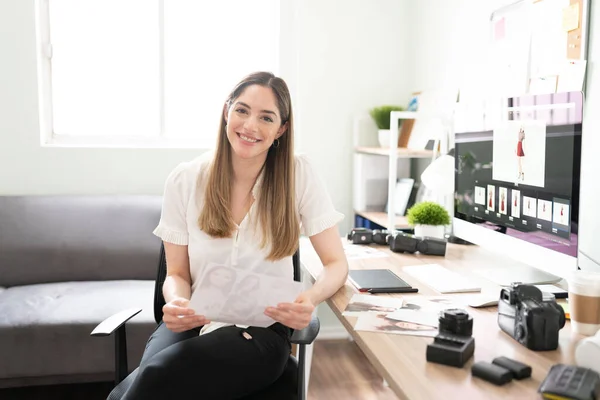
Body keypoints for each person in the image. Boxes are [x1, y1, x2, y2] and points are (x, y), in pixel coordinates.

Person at [115, 71, 349, 400]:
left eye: (266, 117)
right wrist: (178, 302)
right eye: (242, 110)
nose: (250, 126)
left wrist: (309, 300)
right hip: (196, 320)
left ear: (281, 129)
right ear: (227, 112)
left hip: (263, 328)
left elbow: (337, 264)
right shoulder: (185, 179)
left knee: (153, 378)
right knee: (155, 377)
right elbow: (177, 274)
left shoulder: (299, 175)